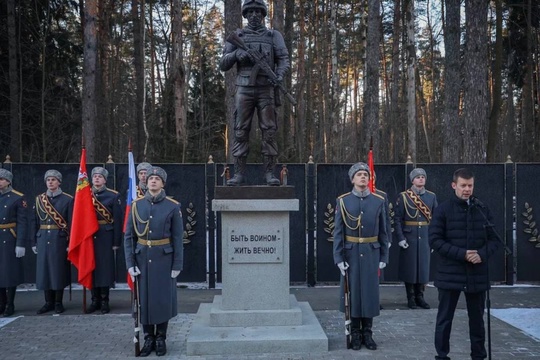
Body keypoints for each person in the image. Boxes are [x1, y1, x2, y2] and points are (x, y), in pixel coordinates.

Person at [429, 168, 501, 360]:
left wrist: (482, 255)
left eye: (470, 185)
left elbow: (495, 240)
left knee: (477, 320)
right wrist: (462, 254)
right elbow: (435, 240)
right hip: (450, 274)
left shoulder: (482, 208)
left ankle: (478, 355)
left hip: (476, 273)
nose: (467, 189)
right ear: (454, 186)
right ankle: (442, 355)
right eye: (463, 186)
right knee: (444, 319)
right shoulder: (443, 209)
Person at [219, 0, 290, 186]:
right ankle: (239, 173)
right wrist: (236, 55)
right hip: (244, 88)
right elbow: (223, 64)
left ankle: (269, 173)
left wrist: (279, 76)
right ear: (245, 14)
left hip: (266, 88)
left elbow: (283, 59)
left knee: (269, 131)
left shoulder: (274, 35)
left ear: (263, 14)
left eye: (258, 12)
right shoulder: (237, 36)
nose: (254, 15)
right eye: (250, 12)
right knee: (240, 130)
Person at [124, 166, 183, 357]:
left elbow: (177, 238)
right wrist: (130, 263)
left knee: (162, 300)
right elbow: (129, 237)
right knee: (145, 301)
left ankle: (161, 338)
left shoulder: (173, 206)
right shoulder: (136, 205)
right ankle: (148, 337)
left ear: (163, 183)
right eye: (150, 178)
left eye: (157, 179)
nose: (153, 181)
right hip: (142, 259)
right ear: (145, 182)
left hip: (164, 260)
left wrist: (177, 264)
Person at [333, 162, 389, 351]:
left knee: (370, 294)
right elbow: (338, 233)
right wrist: (339, 258)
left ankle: (368, 332)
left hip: (371, 253)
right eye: (359, 175)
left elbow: (384, 232)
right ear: (352, 179)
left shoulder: (379, 201)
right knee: (353, 293)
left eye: (366, 174)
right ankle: (355, 332)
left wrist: (384, 256)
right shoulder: (343, 201)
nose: (363, 177)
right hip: (351, 254)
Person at [394, 168, 438, 309]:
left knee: (423, 269)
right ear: (412, 180)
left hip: (425, 236)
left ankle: (420, 296)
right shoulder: (404, 196)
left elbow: (436, 220)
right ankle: (411, 297)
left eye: (423, 177)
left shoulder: (431, 197)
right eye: (417, 177)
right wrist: (400, 237)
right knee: (410, 269)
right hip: (409, 236)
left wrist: (433, 239)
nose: (421, 179)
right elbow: (398, 219)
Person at [32, 170, 74, 314]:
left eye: (53, 180)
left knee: (58, 271)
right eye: (48, 180)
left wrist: (70, 243)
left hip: (60, 239)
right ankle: (47, 302)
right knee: (45, 272)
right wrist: (34, 241)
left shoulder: (68, 199)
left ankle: (58, 302)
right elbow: (34, 221)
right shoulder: (39, 199)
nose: (50, 182)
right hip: (43, 237)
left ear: (59, 182)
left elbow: (71, 223)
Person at [86, 167, 123, 314]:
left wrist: (116, 242)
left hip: (105, 237)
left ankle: (104, 300)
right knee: (91, 268)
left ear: (105, 180)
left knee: (104, 270)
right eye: (94, 176)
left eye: (99, 177)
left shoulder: (113, 196)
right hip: (89, 236)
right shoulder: (84, 195)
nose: (96, 179)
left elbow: (118, 221)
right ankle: (94, 300)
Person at [0, 169, 29, 317]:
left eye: (1, 179)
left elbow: (23, 222)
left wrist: (20, 243)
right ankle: (1, 303)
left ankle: (10, 304)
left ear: (8, 181)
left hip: (9, 237)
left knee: (9, 273)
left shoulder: (17, 198)